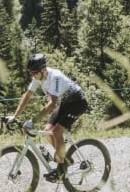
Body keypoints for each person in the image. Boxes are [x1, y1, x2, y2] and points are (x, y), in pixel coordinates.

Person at [6, 53, 89, 182]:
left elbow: (52, 104)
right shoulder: (38, 77)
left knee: (57, 131)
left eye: (34, 73)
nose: (33, 76)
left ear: (43, 70)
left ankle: (60, 169)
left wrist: (32, 121)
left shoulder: (54, 77)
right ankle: (65, 159)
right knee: (47, 130)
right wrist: (15, 116)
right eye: (31, 73)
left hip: (78, 102)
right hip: (67, 102)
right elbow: (27, 96)